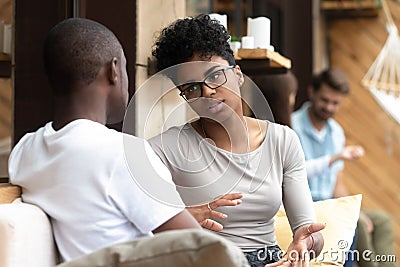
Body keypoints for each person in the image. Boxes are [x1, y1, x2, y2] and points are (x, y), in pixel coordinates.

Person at [7, 18, 203, 263]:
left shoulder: (25, 151)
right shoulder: (123, 153)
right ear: (113, 71)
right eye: (125, 69)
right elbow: (202, 250)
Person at [148, 14, 325, 267]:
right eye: (192, 87)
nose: (207, 91)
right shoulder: (166, 148)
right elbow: (137, 225)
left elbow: (310, 232)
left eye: (215, 76)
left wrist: (305, 243)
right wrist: (182, 218)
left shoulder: (282, 141)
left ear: (238, 74)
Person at [290, 68, 395, 267]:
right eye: (325, 100)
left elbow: (337, 184)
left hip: (331, 204)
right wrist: (335, 157)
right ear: (312, 92)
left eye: (335, 103)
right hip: (306, 207)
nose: (329, 107)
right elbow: (295, 174)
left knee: (381, 220)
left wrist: (356, 210)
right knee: (358, 225)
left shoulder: (336, 132)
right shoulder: (293, 126)